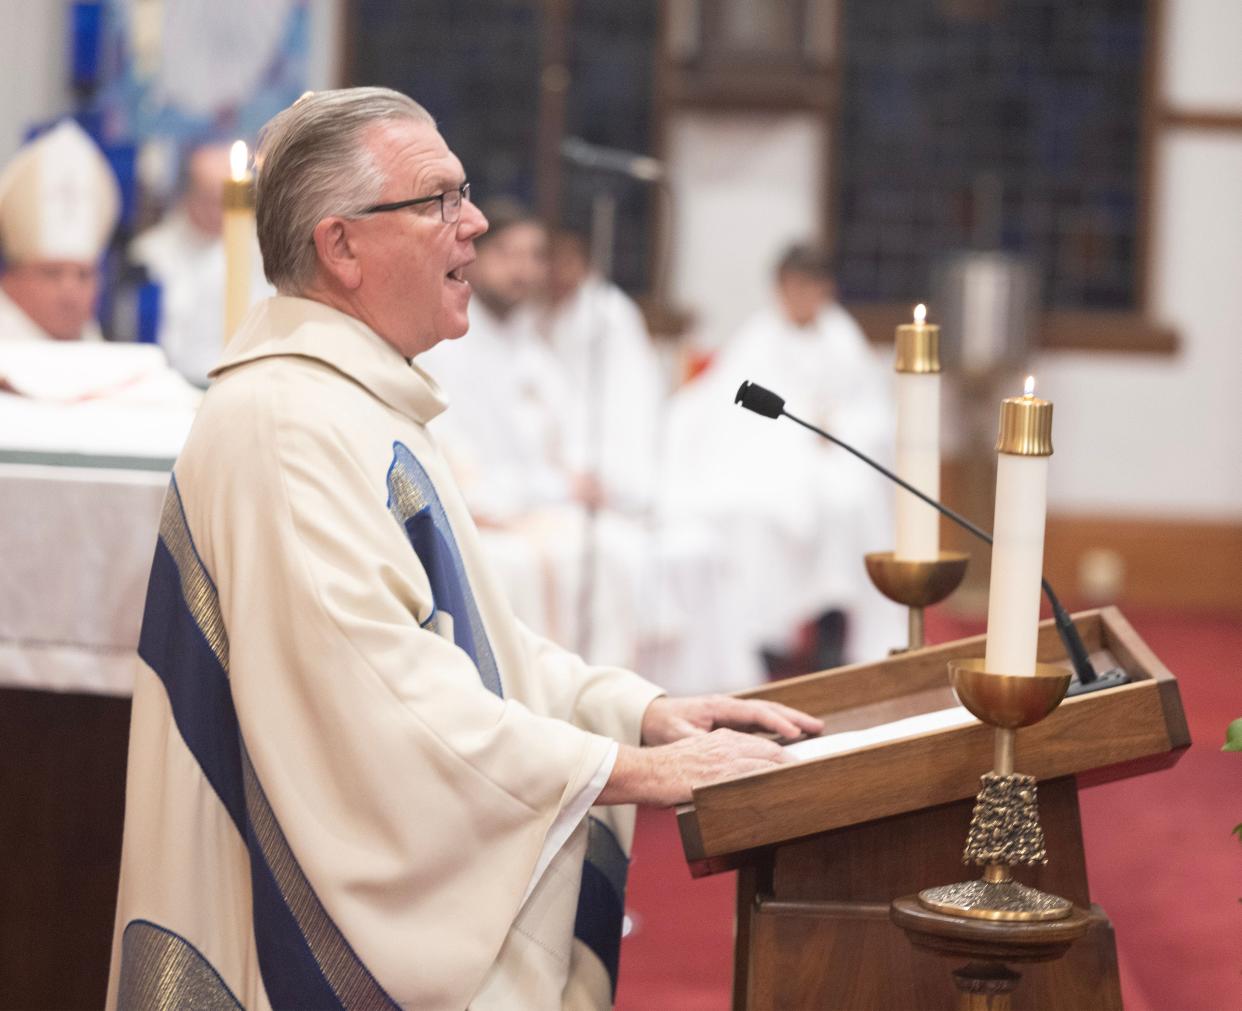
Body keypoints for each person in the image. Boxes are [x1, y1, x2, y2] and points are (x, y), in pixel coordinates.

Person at [108, 87, 821, 1011]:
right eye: (438, 200)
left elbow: (478, 650)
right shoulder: (284, 423)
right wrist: (624, 771)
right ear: (342, 245)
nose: (475, 223)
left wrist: (639, 712)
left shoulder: (358, 397)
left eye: (464, 193)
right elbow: (381, 700)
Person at [663, 243, 904, 670]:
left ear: (826, 290)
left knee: (846, 503)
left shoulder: (842, 337)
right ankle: (765, 635)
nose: (802, 297)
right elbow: (729, 409)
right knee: (761, 513)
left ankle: (832, 625)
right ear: (780, 287)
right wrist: (792, 443)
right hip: (768, 459)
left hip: (832, 456)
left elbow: (870, 411)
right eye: (794, 287)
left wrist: (837, 429)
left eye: (812, 287)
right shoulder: (759, 337)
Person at [130, 142, 273, 385]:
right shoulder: (151, 253)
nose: (220, 210)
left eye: (228, 199)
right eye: (210, 198)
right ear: (187, 194)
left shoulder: (266, 253)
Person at [0, 120, 119, 343]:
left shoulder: (101, 353)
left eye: (84, 275)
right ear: (10, 279)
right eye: (51, 273)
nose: (70, 292)